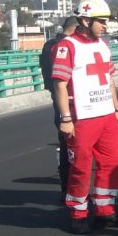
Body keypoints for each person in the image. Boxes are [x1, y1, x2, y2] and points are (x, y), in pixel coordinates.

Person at [52, 0, 118, 234]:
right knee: (81, 167)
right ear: (85, 20)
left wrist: (116, 109)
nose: (105, 26)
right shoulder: (67, 46)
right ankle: (78, 213)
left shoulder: (103, 45)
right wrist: (65, 119)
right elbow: (60, 84)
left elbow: (110, 79)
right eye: (101, 21)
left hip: (106, 116)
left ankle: (105, 210)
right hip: (82, 117)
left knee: (112, 163)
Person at [40, 16, 79, 196]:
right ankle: (75, 191)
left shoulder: (48, 46)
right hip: (71, 102)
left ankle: (67, 189)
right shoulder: (68, 46)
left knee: (66, 146)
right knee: (74, 148)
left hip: (58, 101)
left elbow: (49, 79)